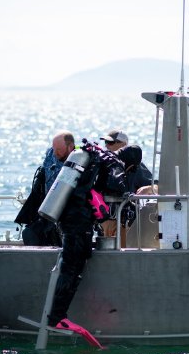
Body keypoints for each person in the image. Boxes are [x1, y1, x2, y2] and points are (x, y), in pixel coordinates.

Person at [47, 140, 136, 335]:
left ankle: (57, 315)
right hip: (78, 220)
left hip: (68, 215)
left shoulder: (96, 157)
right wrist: (126, 194)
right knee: (71, 268)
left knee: (76, 263)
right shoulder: (114, 163)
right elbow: (117, 185)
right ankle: (57, 317)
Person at [14, 131, 75, 246]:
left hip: (69, 212)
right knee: (29, 233)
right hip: (48, 208)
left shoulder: (80, 158)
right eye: (54, 148)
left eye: (59, 150)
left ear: (70, 147)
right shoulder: (50, 154)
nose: (55, 153)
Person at [99, 130, 154, 242]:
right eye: (106, 143)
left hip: (124, 221)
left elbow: (157, 186)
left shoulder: (136, 166)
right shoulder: (102, 164)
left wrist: (147, 189)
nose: (106, 146)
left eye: (111, 143)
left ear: (123, 145)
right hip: (103, 222)